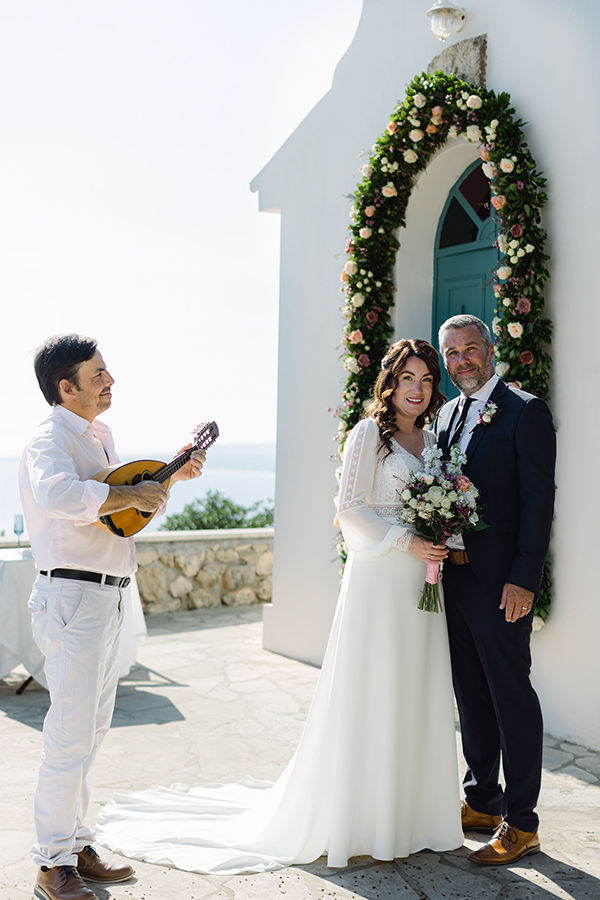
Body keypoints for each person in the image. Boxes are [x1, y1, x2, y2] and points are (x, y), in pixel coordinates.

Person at [94, 338, 463, 874]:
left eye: (427, 380)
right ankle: (366, 817)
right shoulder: (369, 434)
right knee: (376, 684)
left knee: (415, 685)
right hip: (380, 576)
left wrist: (438, 537)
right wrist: (405, 541)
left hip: (421, 582)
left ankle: (413, 816)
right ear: (390, 382)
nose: (418, 389)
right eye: (408, 378)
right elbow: (351, 508)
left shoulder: (434, 440)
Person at [20, 334, 205, 900]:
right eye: (97, 374)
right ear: (66, 387)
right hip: (73, 594)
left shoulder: (99, 436)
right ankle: (52, 863)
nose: (110, 381)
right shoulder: (49, 439)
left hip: (108, 594)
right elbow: (59, 496)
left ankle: (75, 843)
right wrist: (131, 495)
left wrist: (167, 480)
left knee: (92, 732)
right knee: (69, 734)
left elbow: (121, 513)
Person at [436, 314, 556, 866]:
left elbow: (538, 500)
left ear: (489, 350)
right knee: (472, 694)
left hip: (501, 582)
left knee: (511, 694)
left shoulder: (523, 411)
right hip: (454, 575)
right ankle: (482, 799)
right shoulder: (445, 415)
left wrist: (523, 578)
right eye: (452, 352)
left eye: (470, 348)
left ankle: (522, 822)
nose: (462, 360)